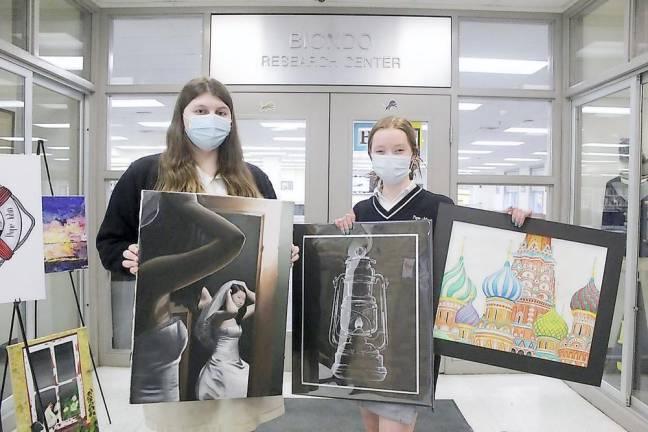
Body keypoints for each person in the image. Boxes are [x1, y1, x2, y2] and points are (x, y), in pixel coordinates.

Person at [96, 77, 298, 432]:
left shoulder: (254, 178)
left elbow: (277, 241)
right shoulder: (146, 172)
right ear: (182, 118)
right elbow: (109, 242)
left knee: (237, 423)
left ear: (232, 121)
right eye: (201, 110)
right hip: (163, 322)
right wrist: (126, 257)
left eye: (221, 112)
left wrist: (288, 252)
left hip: (221, 348)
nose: (212, 119)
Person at [334, 116, 530, 432]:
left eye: (399, 149)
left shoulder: (438, 206)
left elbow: (476, 252)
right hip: (365, 340)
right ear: (370, 155)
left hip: (413, 342)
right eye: (381, 150)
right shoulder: (362, 210)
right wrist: (340, 234)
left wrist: (512, 224)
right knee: (371, 426)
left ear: (414, 155)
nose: (390, 156)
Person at [194, 280, 255, 400]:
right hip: (220, 363)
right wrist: (227, 293)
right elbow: (232, 311)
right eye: (238, 297)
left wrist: (246, 290)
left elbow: (261, 302)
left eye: (243, 299)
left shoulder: (238, 317)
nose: (241, 302)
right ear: (229, 295)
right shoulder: (218, 315)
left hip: (236, 362)